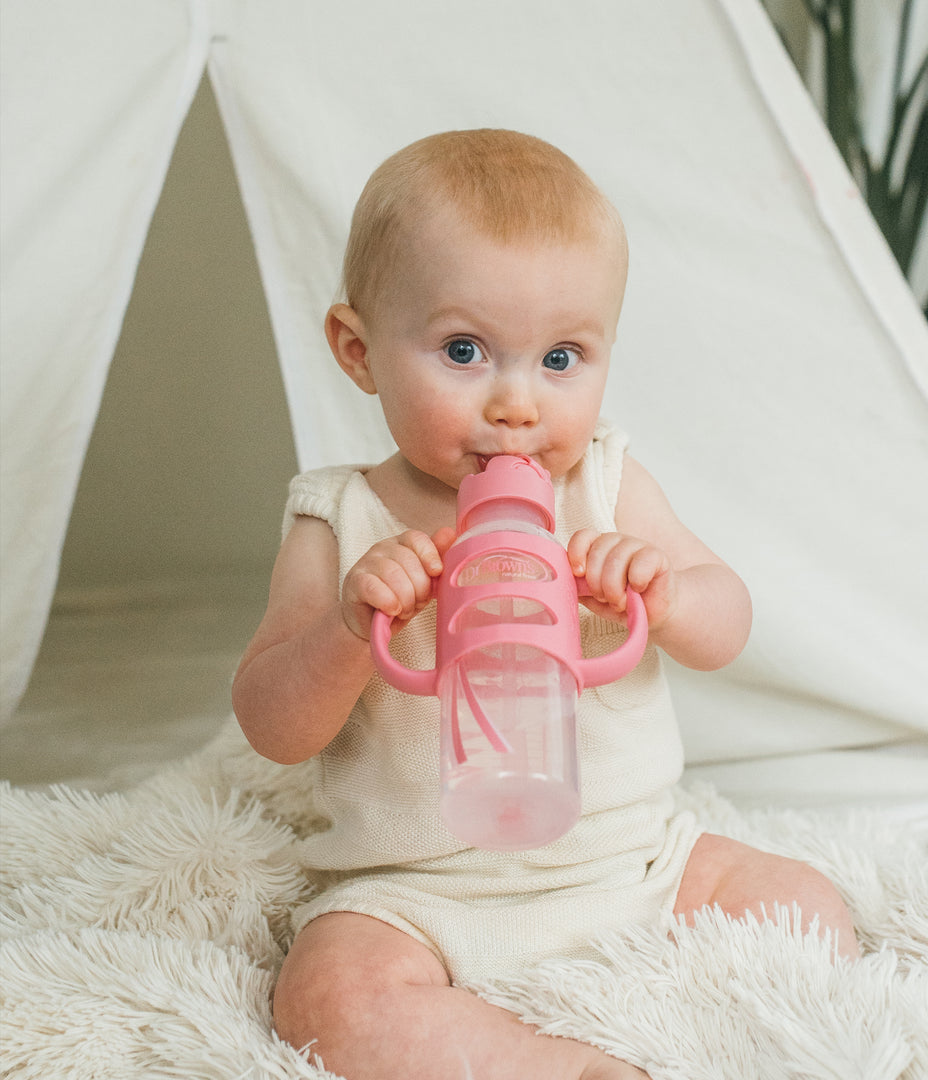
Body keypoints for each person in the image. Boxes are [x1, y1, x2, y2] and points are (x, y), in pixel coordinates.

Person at [232, 129, 857, 1080]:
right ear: (358, 351)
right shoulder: (342, 518)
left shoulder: (604, 484)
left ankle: (771, 1049)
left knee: (806, 903)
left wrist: (663, 587)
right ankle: (557, 1068)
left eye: (561, 358)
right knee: (325, 998)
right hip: (418, 890)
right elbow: (271, 722)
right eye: (465, 350)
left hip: (633, 863)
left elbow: (727, 623)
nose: (518, 404)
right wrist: (349, 630)